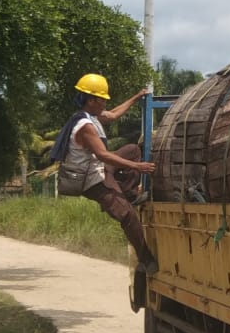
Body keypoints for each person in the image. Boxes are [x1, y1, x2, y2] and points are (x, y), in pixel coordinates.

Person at [51, 73, 159, 273]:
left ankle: (130, 194)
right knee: (127, 214)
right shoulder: (85, 127)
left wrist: (137, 96)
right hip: (91, 180)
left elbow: (114, 114)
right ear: (91, 100)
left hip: (99, 167)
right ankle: (146, 259)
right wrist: (137, 167)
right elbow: (102, 155)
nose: (105, 103)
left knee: (132, 150)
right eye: (102, 99)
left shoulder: (91, 116)